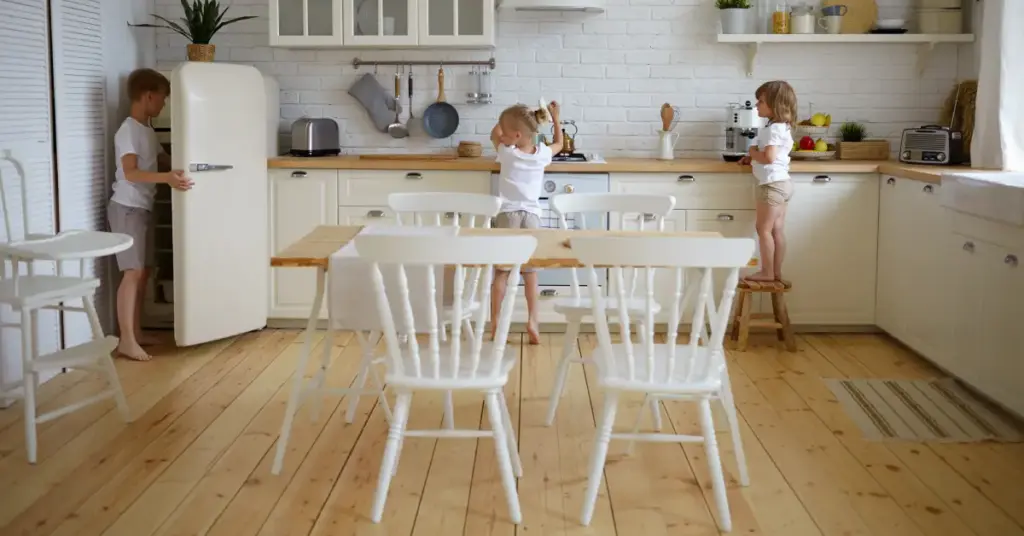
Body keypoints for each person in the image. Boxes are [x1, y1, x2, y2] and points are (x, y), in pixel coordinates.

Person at [108, 68, 193, 361]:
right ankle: (126, 340)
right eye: (163, 99)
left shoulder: (146, 130)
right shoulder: (127, 130)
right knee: (132, 273)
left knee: (142, 273)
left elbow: (162, 160)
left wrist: (190, 165)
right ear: (148, 96)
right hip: (127, 207)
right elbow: (131, 172)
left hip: (142, 207)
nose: (164, 105)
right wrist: (167, 178)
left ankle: (137, 332)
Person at [489, 101, 563, 344]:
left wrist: (508, 120)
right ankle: (533, 320)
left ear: (517, 135)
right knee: (530, 273)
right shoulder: (542, 154)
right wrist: (555, 116)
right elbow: (560, 144)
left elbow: (494, 134)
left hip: (507, 215)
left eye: (506, 130)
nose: (502, 134)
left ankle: (497, 321)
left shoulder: (507, 153)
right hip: (531, 217)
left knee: (501, 272)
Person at [740, 80, 796, 282]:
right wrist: (754, 158)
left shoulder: (772, 129)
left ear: (775, 104)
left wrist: (752, 151)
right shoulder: (782, 127)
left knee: (763, 230)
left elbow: (769, 157)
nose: (756, 105)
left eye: (761, 101)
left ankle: (766, 272)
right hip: (784, 184)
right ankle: (776, 272)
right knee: (777, 230)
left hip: (771, 186)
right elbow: (773, 157)